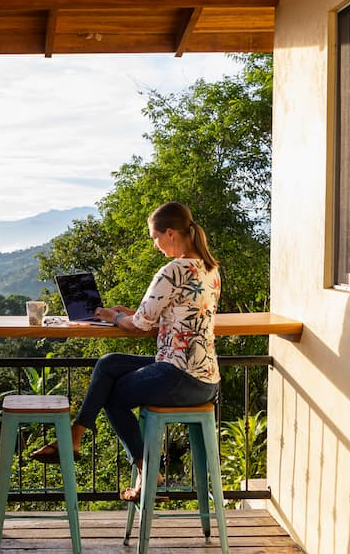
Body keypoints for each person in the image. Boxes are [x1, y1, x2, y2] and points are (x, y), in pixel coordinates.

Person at [28, 201, 222, 501]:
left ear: (170, 233)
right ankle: (76, 435)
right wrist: (130, 313)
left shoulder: (173, 270)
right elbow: (173, 316)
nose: (155, 245)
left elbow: (141, 326)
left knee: (113, 396)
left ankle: (149, 473)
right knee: (109, 363)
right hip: (206, 379)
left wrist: (114, 317)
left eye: (155, 238)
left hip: (179, 375)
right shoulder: (209, 269)